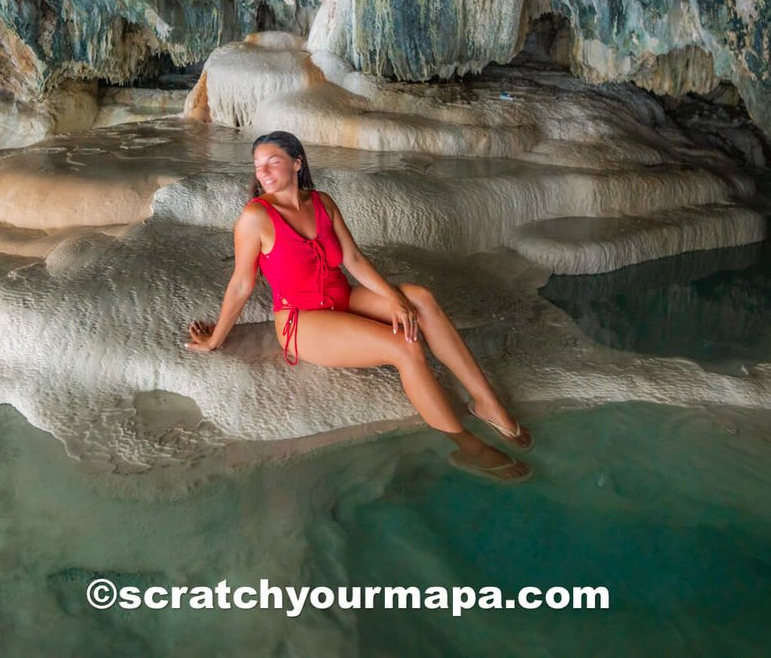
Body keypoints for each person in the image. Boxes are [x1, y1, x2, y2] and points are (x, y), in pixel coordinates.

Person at [185, 130, 533, 482]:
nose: (264, 172)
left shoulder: (323, 203)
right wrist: (215, 339)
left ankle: (486, 402)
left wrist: (396, 300)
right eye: (258, 166)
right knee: (405, 345)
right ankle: (465, 444)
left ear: (297, 162)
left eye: (273, 162)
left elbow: (353, 259)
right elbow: (242, 284)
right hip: (301, 320)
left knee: (421, 299)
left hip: (342, 297)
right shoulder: (255, 217)